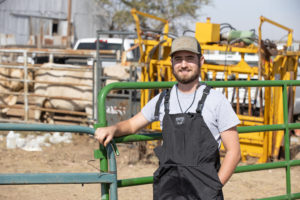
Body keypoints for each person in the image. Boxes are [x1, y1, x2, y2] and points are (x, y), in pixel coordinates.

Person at [95, 36, 241, 200]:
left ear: (201, 60)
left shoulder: (216, 101)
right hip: (168, 192)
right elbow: (131, 124)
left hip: (204, 194)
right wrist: (113, 129)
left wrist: (213, 188)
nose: (184, 64)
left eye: (189, 58)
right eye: (178, 59)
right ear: (171, 62)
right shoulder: (162, 100)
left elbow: (234, 152)